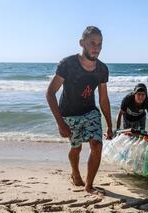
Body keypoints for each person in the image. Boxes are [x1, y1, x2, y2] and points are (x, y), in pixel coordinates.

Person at [46, 26, 113, 195]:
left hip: (90, 112)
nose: (96, 48)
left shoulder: (102, 69)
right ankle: (75, 173)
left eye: (100, 44)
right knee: (76, 148)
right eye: (92, 43)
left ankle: (89, 186)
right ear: (82, 43)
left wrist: (110, 126)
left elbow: (103, 99)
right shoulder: (67, 64)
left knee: (97, 145)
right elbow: (50, 93)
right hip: (69, 113)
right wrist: (60, 123)